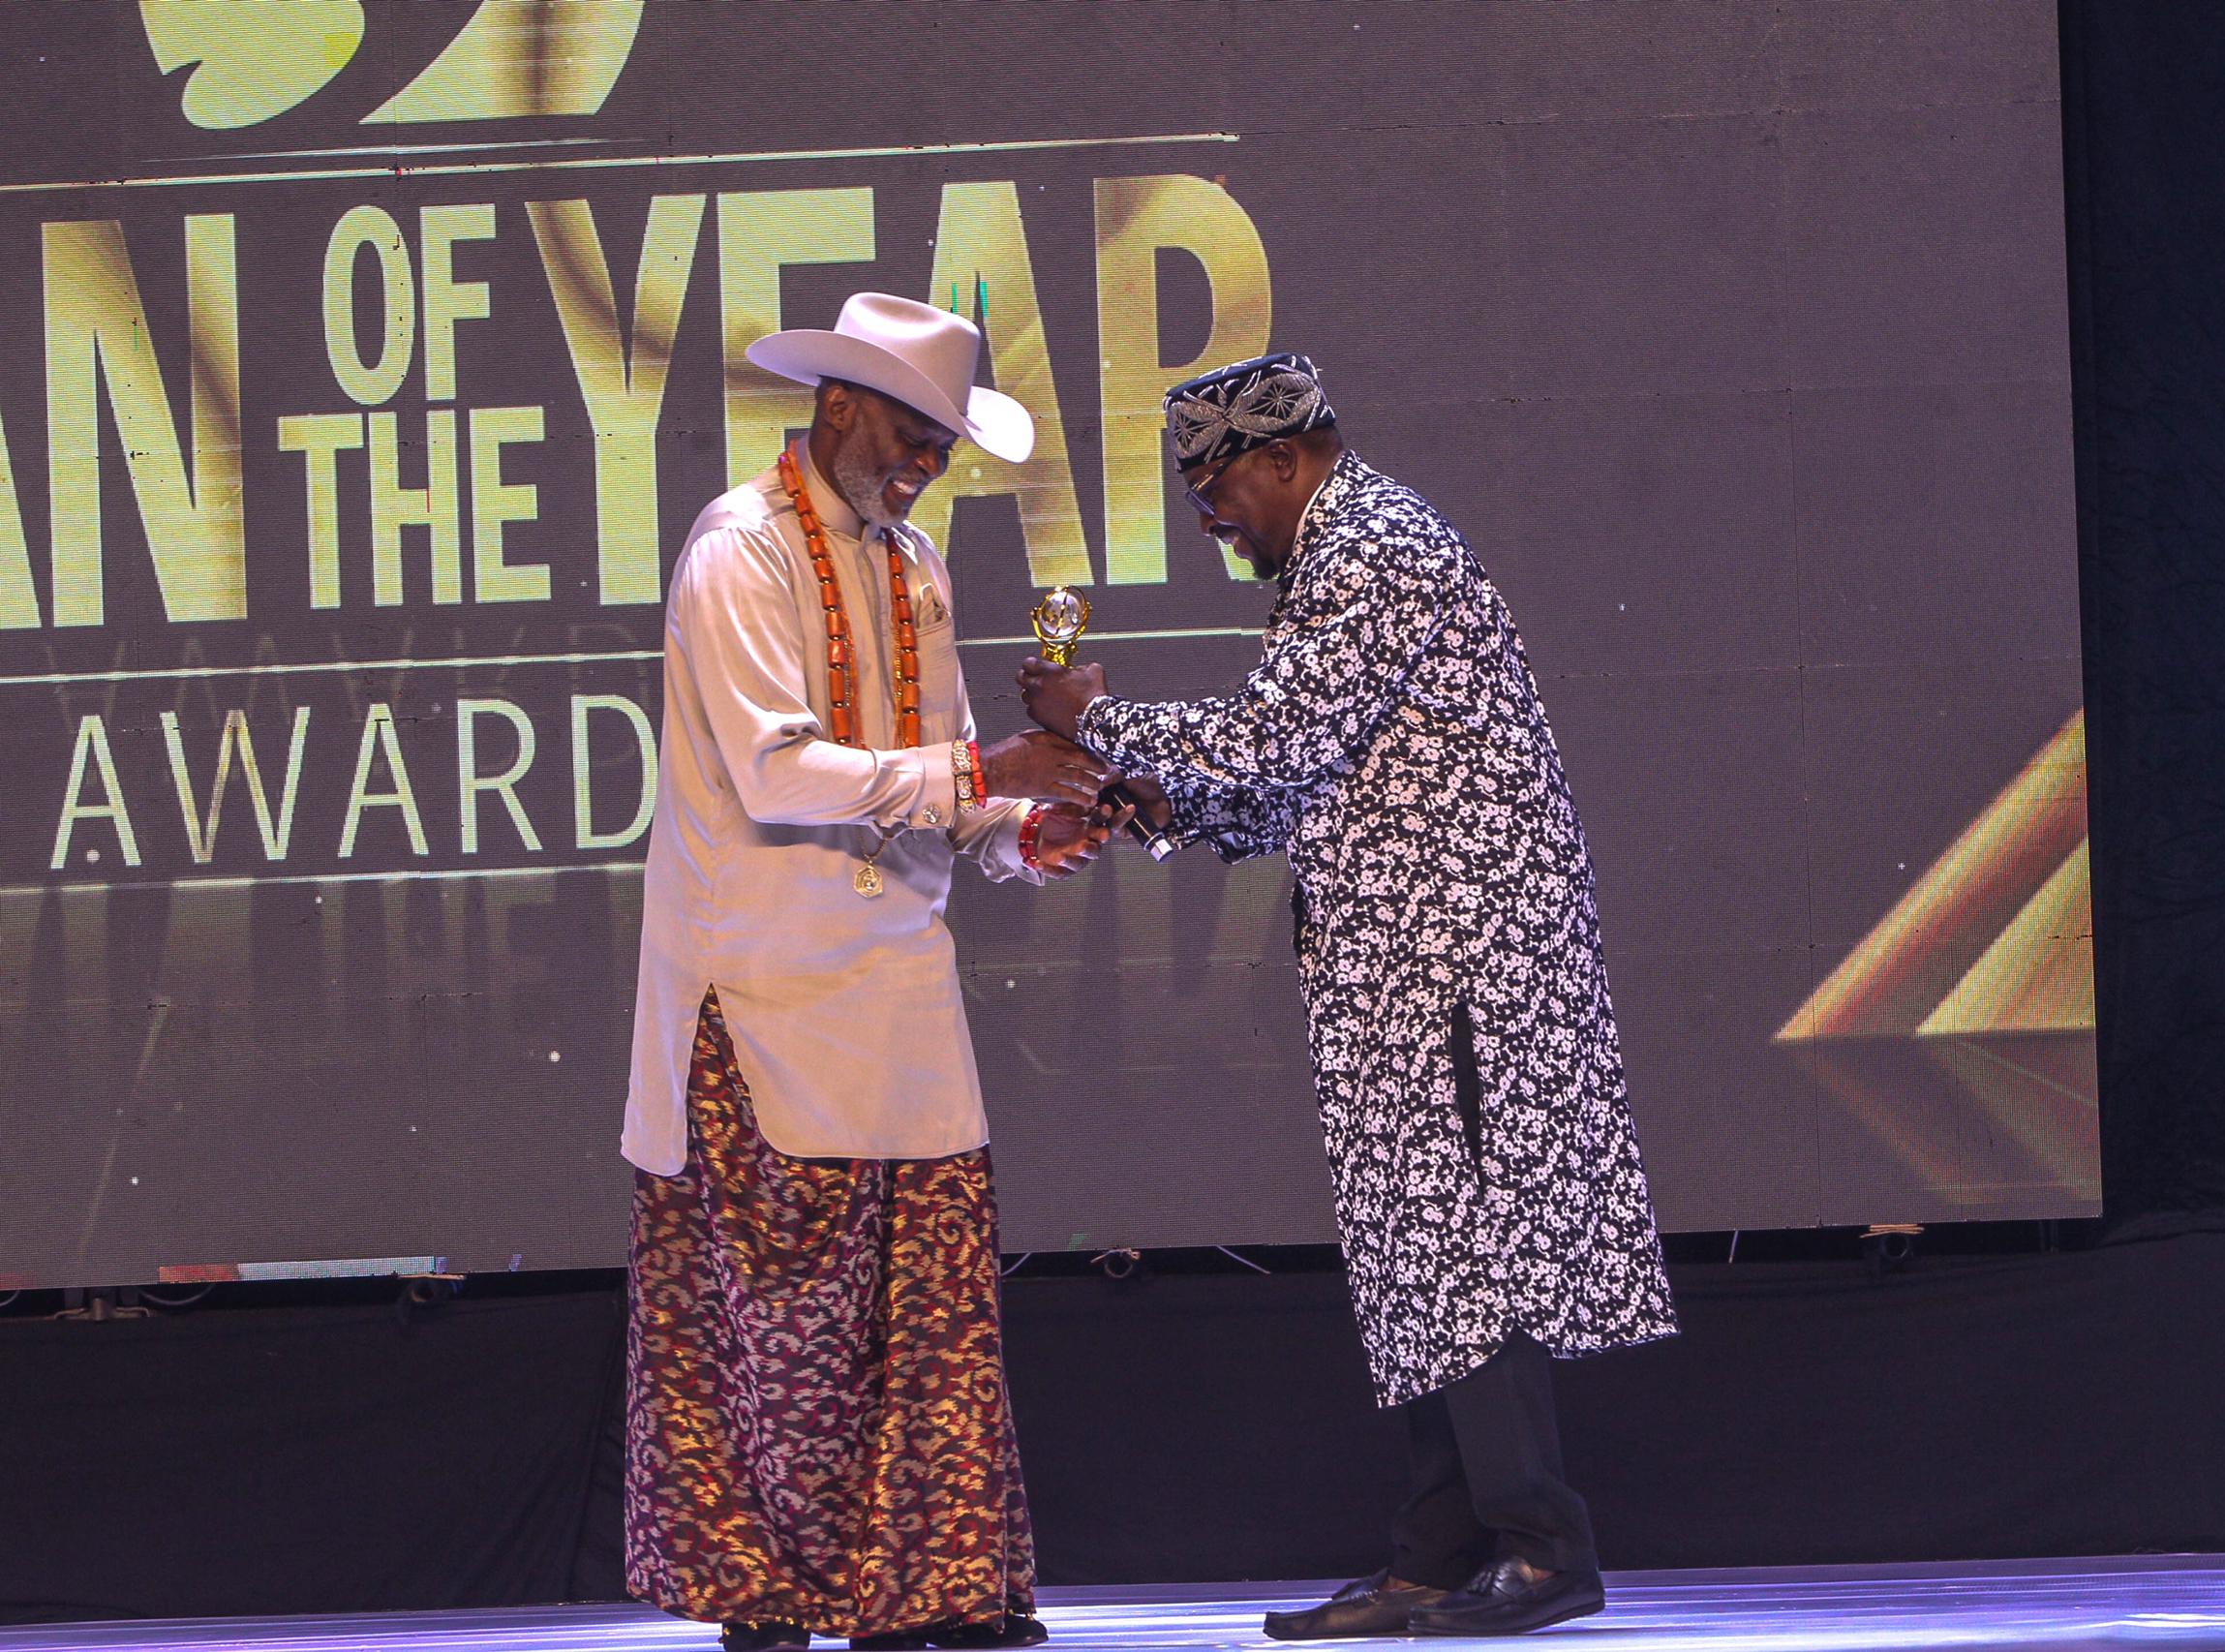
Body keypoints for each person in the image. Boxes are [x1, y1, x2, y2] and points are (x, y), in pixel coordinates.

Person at [1019, 353, 1676, 1639]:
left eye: (1216, 493)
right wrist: (1154, 804)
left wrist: (1097, 719)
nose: (1212, 520)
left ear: (1283, 459)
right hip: (1401, 962)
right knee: (1417, 1253)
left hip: (1462, 959)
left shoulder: (1374, 547)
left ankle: (1545, 1548)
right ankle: (1438, 1552)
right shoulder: (1335, 555)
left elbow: (1272, 740)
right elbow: (1297, 785)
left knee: (1464, 1247)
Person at [625, 292, 1120, 1652]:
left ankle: (934, 1586)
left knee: (935, 1308)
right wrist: (980, 771)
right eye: (909, 438)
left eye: (940, 451)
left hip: (900, 983)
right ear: (837, 403)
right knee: (789, 1318)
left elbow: (941, 781)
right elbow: (778, 772)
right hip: (763, 988)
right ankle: (779, 1596)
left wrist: (1023, 829)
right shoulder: (739, 547)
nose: (922, 468)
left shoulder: (916, 563)